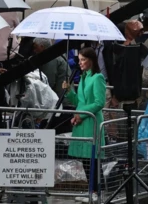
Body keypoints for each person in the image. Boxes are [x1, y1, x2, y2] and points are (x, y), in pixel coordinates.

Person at [62, 47, 106, 203]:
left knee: (92, 157)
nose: (80, 63)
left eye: (83, 60)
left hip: (91, 121)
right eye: (79, 59)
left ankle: (96, 191)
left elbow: (99, 102)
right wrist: (69, 92)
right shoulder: (83, 77)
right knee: (85, 158)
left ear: (91, 60)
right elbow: (78, 101)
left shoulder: (98, 77)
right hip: (82, 121)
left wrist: (80, 114)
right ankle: (91, 190)